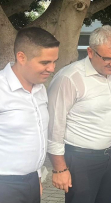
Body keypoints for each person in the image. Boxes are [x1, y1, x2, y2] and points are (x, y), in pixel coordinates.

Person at [47, 25, 111, 203]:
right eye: (108, 58)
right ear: (90, 52)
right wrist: (59, 169)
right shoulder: (69, 78)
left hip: (109, 156)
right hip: (80, 159)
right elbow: (54, 127)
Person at [0, 27, 59, 203]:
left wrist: (37, 177)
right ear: (21, 57)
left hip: (32, 181)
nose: (51, 68)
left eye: (54, 62)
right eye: (45, 62)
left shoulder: (40, 89)